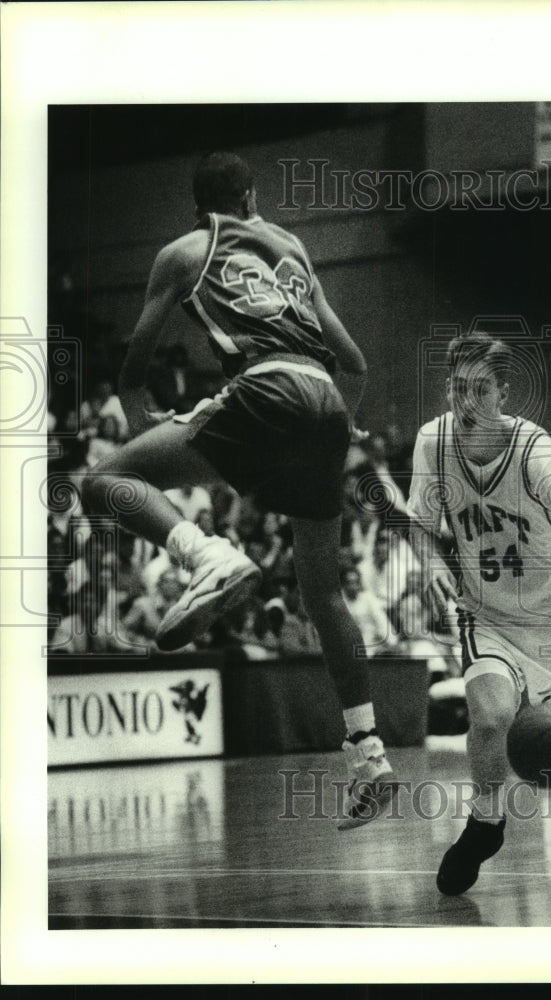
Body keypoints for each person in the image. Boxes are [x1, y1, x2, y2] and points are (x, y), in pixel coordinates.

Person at [81, 151, 395, 829]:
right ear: (251, 196)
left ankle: (205, 556)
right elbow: (356, 364)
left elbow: (134, 361)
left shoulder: (186, 250)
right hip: (327, 405)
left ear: (199, 205)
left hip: (268, 386)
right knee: (324, 592)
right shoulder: (294, 247)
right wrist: (332, 430)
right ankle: (369, 750)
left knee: (104, 481)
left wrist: (144, 419)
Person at [407, 332, 551, 894]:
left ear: (503, 394)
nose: (465, 402)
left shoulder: (537, 453)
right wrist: (433, 565)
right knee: (489, 718)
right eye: (457, 388)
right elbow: (417, 523)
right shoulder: (431, 443)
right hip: (485, 616)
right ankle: (486, 822)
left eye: (479, 390)